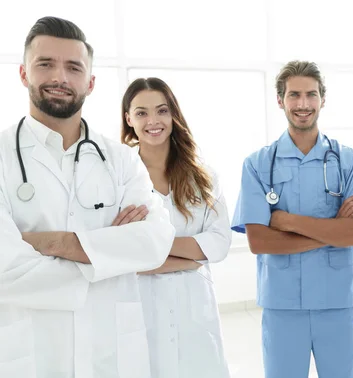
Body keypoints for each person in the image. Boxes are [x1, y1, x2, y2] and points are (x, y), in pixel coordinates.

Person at [0, 16, 175, 378]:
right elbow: (6, 268)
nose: (60, 77)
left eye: (73, 67)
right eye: (45, 64)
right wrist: (110, 257)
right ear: (23, 74)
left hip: (112, 352)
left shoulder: (121, 158)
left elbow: (155, 242)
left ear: (91, 82)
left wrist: (56, 243)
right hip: (30, 353)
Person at [231, 60, 353, 378]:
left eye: (311, 94)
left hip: (337, 302)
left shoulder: (349, 161)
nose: (303, 104)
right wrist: (333, 228)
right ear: (280, 100)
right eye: (294, 95)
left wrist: (289, 221)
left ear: (322, 99)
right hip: (282, 307)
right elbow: (259, 241)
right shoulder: (257, 164)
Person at [120, 77, 231, 378]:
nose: (153, 121)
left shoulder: (203, 175)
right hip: (139, 307)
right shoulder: (116, 178)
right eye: (141, 113)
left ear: (173, 115)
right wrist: (190, 256)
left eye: (162, 110)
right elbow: (115, 253)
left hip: (194, 307)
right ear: (128, 118)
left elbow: (219, 243)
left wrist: (147, 246)